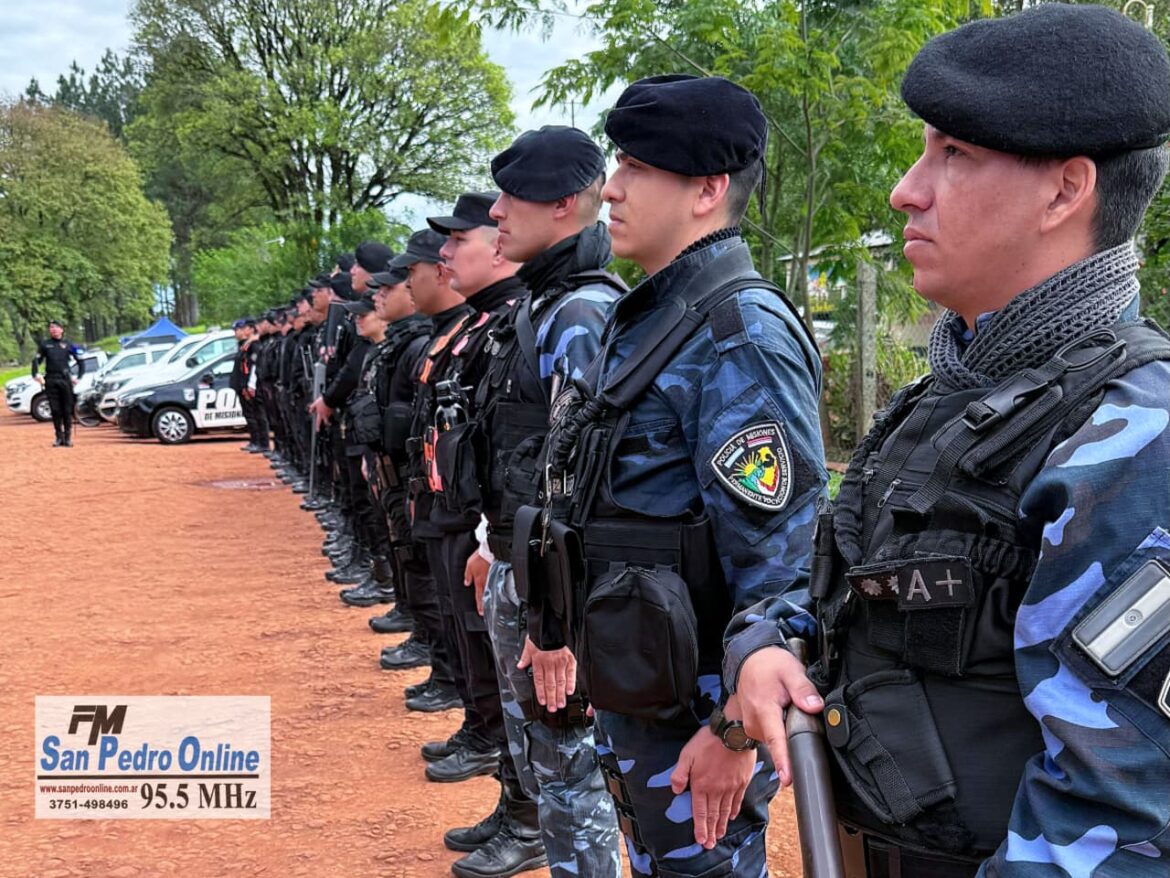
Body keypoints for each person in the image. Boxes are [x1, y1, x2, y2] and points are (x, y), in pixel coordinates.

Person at [728, 6, 1170, 876]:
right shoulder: (954, 397)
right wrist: (763, 645)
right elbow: (843, 595)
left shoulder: (1135, 440)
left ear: (1065, 190)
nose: (906, 189)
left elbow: (1119, 827)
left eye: (953, 155)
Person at [530, 78, 826, 876]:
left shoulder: (738, 334)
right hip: (642, 696)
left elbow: (786, 570)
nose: (613, 188)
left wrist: (735, 733)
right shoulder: (656, 316)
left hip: (699, 721)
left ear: (708, 189)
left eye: (637, 167)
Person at [32, 319, 85, 447]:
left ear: (61, 329)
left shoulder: (69, 344)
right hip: (51, 379)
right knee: (55, 410)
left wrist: (78, 377)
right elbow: (36, 360)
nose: (53, 330)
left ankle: (67, 437)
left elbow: (81, 361)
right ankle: (58, 437)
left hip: (65, 379)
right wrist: (35, 374)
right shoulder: (45, 345)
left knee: (67, 409)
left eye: (56, 327)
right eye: (51, 328)